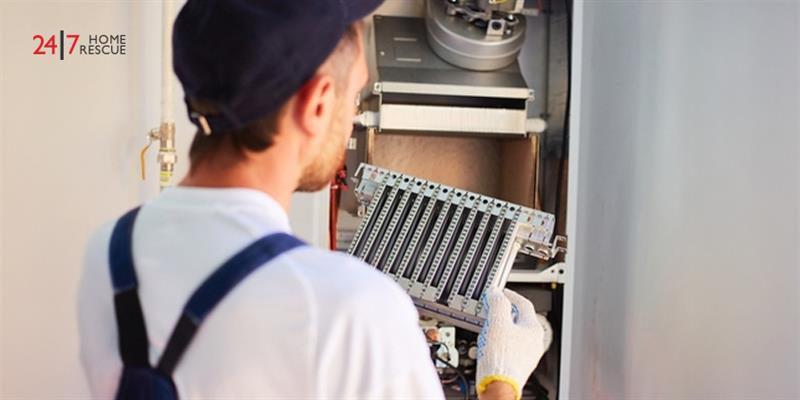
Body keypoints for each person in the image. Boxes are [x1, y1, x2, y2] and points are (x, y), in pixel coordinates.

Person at [78, 1, 545, 399]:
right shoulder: (348, 309)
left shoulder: (110, 252)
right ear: (318, 103)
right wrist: (501, 382)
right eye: (355, 97)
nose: (351, 122)